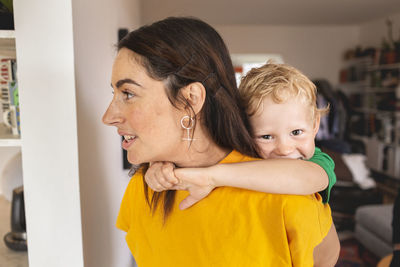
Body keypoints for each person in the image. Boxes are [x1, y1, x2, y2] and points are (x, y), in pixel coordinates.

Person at [103, 16, 334, 267]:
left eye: (128, 93)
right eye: (115, 93)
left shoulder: (288, 197)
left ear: (191, 99)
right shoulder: (145, 187)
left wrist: (212, 176)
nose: (108, 117)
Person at [145, 62, 340, 266]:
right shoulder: (243, 154)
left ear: (315, 124)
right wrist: (160, 166)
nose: (284, 148)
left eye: (296, 133)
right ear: (245, 133)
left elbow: (301, 177)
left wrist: (213, 176)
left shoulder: (317, 161)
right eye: (266, 136)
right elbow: (197, 152)